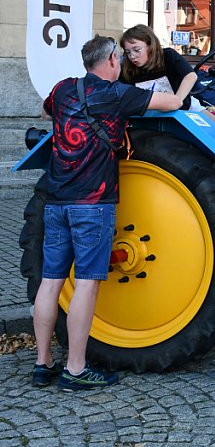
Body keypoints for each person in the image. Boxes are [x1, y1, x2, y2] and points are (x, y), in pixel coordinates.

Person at [32, 35, 181, 390]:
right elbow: (173, 102)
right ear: (113, 60)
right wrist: (188, 77)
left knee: (50, 281)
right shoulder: (119, 95)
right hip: (92, 205)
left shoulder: (65, 88)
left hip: (55, 201)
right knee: (85, 283)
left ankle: (42, 364)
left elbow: (46, 108)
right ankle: (76, 369)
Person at [120, 25, 215, 135]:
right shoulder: (127, 69)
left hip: (187, 109)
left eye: (137, 50)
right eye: (128, 52)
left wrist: (177, 100)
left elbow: (190, 76)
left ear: (150, 45)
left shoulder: (168, 55)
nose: (132, 56)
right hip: (149, 118)